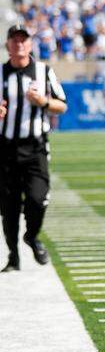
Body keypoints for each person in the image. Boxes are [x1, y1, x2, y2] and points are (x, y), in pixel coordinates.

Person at [0, 25, 68, 272]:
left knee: (38, 200)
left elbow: (62, 105)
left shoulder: (43, 71)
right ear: (8, 45)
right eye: (14, 40)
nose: (19, 44)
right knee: (8, 208)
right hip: (5, 150)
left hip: (35, 148)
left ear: (30, 45)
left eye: (23, 40)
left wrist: (43, 102)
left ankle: (31, 236)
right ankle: (13, 256)